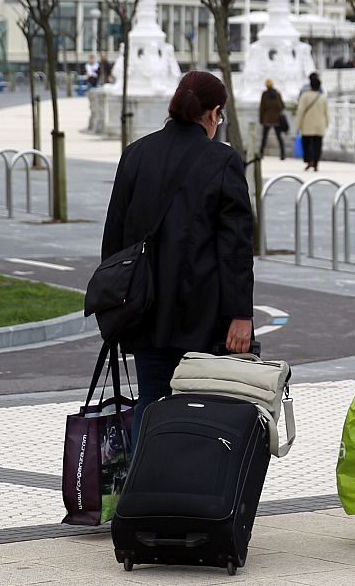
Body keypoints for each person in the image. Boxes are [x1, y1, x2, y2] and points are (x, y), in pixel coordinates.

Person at [100, 70, 255, 440]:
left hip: (143, 309)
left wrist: (118, 304)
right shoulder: (222, 161)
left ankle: (144, 493)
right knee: (202, 405)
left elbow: (114, 240)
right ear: (214, 113)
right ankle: (188, 491)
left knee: (151, 400)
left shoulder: (136, 154)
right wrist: (241, 313)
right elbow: (234, 247)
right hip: (203, 313)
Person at [296, 73, 328, 173]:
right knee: (317, 144)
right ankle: (316, 163)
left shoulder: (305, 96)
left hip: (307, 124)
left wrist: (298, 124)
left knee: (306, 143)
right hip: (319, 125)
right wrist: (327, 123)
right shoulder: (323, 97)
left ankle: (309, 161)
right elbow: (326, 112)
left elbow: (300, 111)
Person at [257, 79, 287, 160]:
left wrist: (261, 119)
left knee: (264, 138)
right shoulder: (277, 93)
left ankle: (261, 153)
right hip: (277, 119)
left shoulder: (264, 94)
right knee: (279, 137)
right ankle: (283, 154)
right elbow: (282, 106)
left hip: (267, 119)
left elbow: (262, 108)